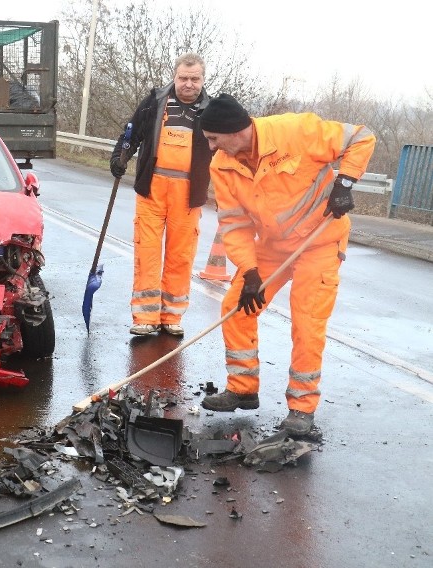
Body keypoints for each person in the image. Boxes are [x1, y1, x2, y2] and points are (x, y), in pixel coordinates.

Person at [198, 93, 376, 436]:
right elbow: (234, 223)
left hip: (319, 242)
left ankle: (301, 410)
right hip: (273, 247)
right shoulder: (222, 164)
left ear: (235, 132)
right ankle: (243, 388)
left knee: (306, 322)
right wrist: (249, 271)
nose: (210, 147)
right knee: (236, 306)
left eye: (213, 139)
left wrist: (345, 181)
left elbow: (360, 136)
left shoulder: (294, 131)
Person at [109, 53, 212, 337]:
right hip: (152, 191)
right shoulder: (155, 101)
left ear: (202, 80)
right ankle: (145, 317)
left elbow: (228, 148)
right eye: (183, 78)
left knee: (181, 256)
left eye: (194, 79)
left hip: (189, 196)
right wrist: (121, 155)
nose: (188, 84)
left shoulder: (211, 111)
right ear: (175, 77)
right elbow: (132, 131)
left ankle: (171, 317)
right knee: (148, 253)